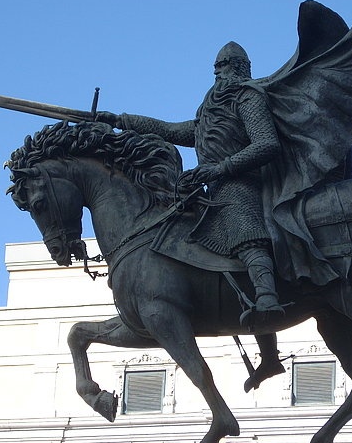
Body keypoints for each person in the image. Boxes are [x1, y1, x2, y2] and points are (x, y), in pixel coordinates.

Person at [98, 41, 285, 325]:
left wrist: (221, 168)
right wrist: (120, 120)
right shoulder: (211, 112)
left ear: (239, 68)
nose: (219, 73)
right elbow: (168, 130)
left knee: (243, 228)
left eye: (224, 66)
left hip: (241, 183)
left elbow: (267, 144)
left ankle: (267, 296)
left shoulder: (248, 97)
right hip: (211, 188)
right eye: (216, 68)